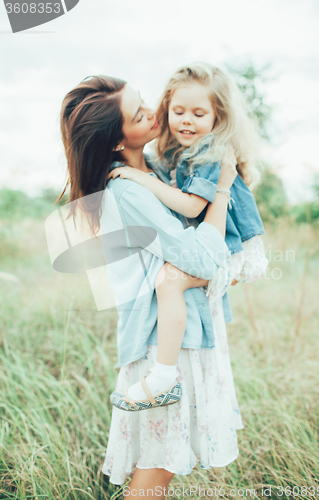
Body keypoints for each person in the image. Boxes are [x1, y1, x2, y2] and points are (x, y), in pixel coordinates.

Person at [57, 73, 251, 496]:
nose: (155, 114)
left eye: (146, 102)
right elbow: (202, 258)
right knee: (155, 473)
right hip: (163, 349)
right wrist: (220, 190)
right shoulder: (129, 190)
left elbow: (212, 263)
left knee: (161, 471)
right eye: (140, 113)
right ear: (115, 139)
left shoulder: (162, 168)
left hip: (188, 337)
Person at [108, 63, 268, 406]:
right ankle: (166, 376)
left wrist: (144, 179)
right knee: (169, 281)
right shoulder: (179, 154)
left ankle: (164, 376)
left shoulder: (210, 152)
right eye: (178, 111)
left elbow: (193, 208)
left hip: (233, 250)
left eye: (198, 113)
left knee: (168, 281)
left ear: (217, 117)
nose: (186, 121)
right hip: (220, 246)